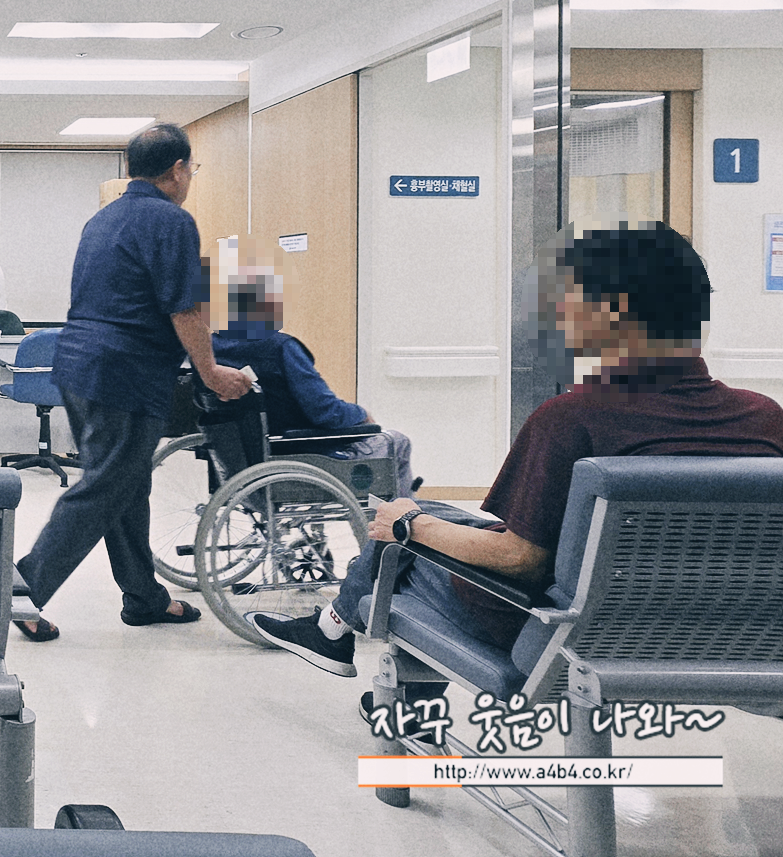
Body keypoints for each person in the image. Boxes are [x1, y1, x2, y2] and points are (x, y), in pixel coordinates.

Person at [251, 224, 783, 704]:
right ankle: (333, 629)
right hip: (725, 633)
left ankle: (367, 665)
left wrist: (410, 526)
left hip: (563, 637)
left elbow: (519, 559)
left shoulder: (572, 418)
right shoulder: (765, 418)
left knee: (402, 543)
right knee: (426, 514)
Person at [14, 123, 251, 640]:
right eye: (191, 169)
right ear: (178, 170)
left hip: (77, 365)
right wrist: (211, 372)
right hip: (124, 373)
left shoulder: (102, 219)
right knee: (105, 487)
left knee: (127, 483)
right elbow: (184, 308)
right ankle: (19, 595)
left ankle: (144, 597)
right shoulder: (173, 221)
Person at [212, 264, 417, 497]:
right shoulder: (280, 348)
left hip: (241, 464)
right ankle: (400, 517)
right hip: (302, 456)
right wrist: (361, 414)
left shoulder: (209, 353)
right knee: (396, 441)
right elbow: (326, 412)